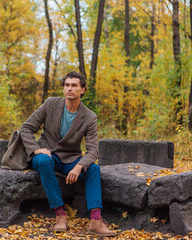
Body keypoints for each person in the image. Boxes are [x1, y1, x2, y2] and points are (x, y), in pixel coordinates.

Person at [20, 71, 116, 237]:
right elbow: (26, 128)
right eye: (67, 85)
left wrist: (79, 166)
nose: (69, 89)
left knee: (93, 169)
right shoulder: (51, 104)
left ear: (82, 90)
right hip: (46, 154)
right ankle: (60, 214)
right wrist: (36, 149)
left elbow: (93, 149)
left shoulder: (89, 117)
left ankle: (95, 221)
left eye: (74, 85)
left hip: (70, 159)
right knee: (43, 161)